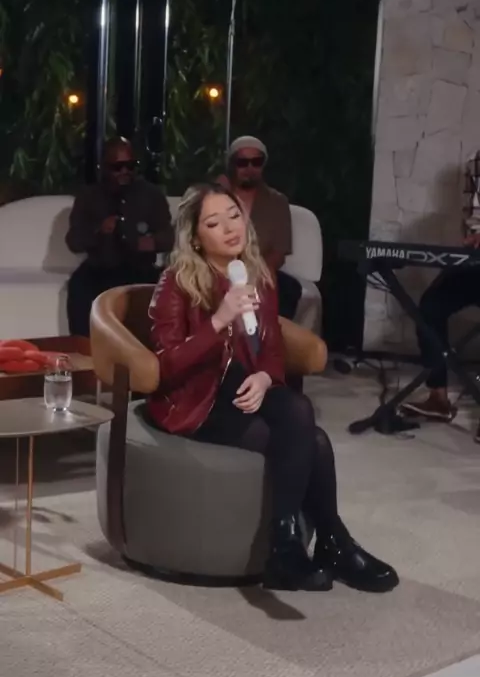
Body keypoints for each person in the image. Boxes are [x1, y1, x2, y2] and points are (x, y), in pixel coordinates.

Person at [147, 182, 399, 593]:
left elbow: (272, 349)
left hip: (245, 390)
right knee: (312, 439)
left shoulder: (258, 275)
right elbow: (166, 366)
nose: (230, 227)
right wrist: (219, 320)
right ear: (195, 237)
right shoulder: (176, 283)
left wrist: (265, 377)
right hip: (197, 401)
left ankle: (293, 548)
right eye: (214, 223)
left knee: (300, 414)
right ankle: (325, 545)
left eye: (234, 216)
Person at [402, 151, 480, 439]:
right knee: (430, 307)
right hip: (475, 262)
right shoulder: (476, 162)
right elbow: (472, 217)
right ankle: (438, 398)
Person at [66, 137, 173, 337]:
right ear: (104, 167)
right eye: (117, 167)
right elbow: (73, 241)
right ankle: (84, 346)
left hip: (140, 269)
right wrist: (99, 231)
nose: (125, 172)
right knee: (78, 285)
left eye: (130, 166)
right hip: (100, 269)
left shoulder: (151, 194)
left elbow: (169, 235)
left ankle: (162, 347)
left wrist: (152, 242)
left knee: (168, 285)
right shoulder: (88, 197)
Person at [218, 136, 302, 320]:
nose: (250, 169)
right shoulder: (215, 197)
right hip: (218, 268)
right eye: (242, 163)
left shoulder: (277, 202)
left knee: (290, 289)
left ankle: (271, 335)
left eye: (256, 162)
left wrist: (258, 272)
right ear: (231, 165)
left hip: (258, 269)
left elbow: (279, 252)